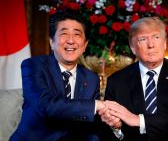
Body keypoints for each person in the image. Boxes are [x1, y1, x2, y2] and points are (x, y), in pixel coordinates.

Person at [99, 17, 168, 141]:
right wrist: (116, 127)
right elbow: (107, 130)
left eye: (156, 37)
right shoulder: (116, 81)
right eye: (143, 39)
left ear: (164, 43)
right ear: (133, 48)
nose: (151, 45)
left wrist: (139, 120)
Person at [10, 10, 106, 141]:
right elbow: (45, 105)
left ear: (85, 45)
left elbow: (91, 128)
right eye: (64, 33)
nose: (71, 40)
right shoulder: (33, 66)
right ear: (51, 42)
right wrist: (96, 105)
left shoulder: (91, 78)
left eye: (77, 34)